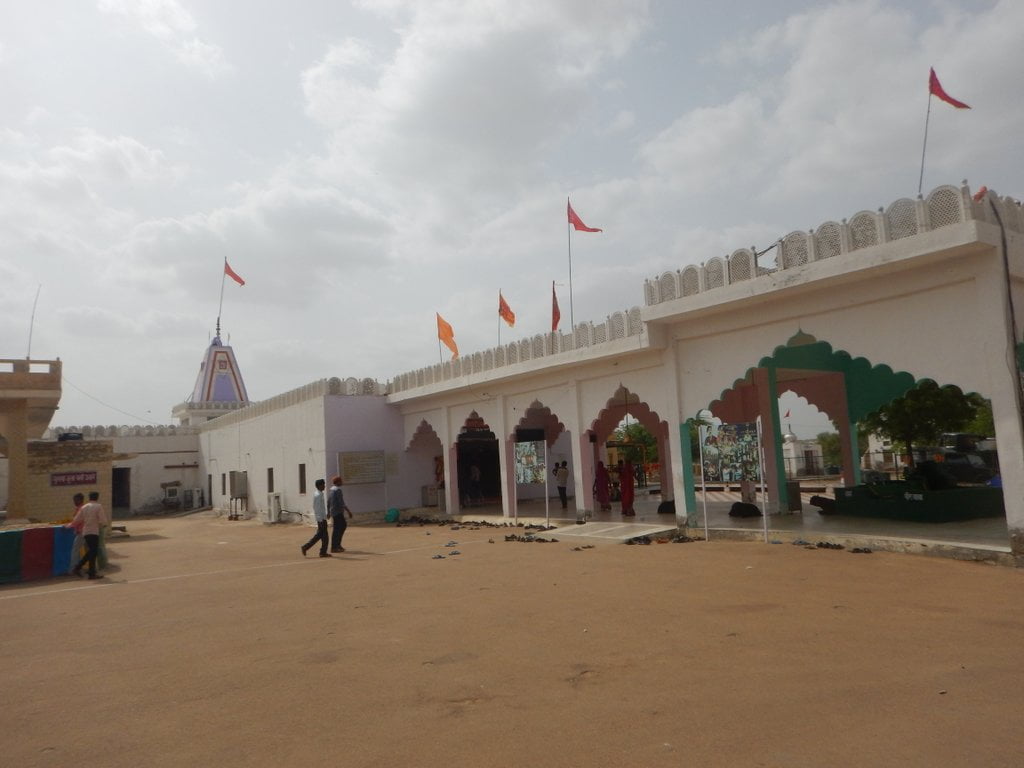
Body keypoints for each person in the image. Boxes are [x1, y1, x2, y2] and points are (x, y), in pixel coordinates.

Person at [70, 491, 109, 579]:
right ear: (97, 497)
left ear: (89, 497)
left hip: (85, 532)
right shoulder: (98, 506)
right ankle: (82, 569)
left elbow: (77, 519)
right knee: (93, 551)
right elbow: (103, 519)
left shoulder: (84, 507)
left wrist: (70, 525)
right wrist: (104, 525)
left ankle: (88, 571)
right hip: (94, 532)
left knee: (92, 551)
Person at [300, 479, 330, 558]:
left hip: (322, 518)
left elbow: (321, 508)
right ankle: (306, 547)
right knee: (321, 536)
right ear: (319, 486)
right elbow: (316, 508)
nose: (324, 486)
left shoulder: (320, 494)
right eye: (323, 484)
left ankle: (322, 552)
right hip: (321, 519)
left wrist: (324, 516)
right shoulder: (318, 495)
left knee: (323, 536)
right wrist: (321, 519)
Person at [328, 475, 353, 553]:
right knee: (340, 528)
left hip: (334, 512)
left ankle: (336, 545)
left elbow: (328, 502)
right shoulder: (338, 490)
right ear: (338, 482)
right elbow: (341, 503)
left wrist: (328, 512)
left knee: (339, 528)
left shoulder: (331, 490)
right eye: (341, 481)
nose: (342, 482)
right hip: (338, 512)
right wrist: (348, 511)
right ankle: (335, 546)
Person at [67, 493, 86, 575]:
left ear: (80, 500)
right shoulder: (81, 508)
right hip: (84, 532)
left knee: (75, 550)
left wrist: (68, 526)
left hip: (82, 532)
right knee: (79, 550)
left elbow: (76, 521)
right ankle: (79, 567)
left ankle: (73, 569)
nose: (74, 501)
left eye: (76, 500)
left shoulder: (81, 509)